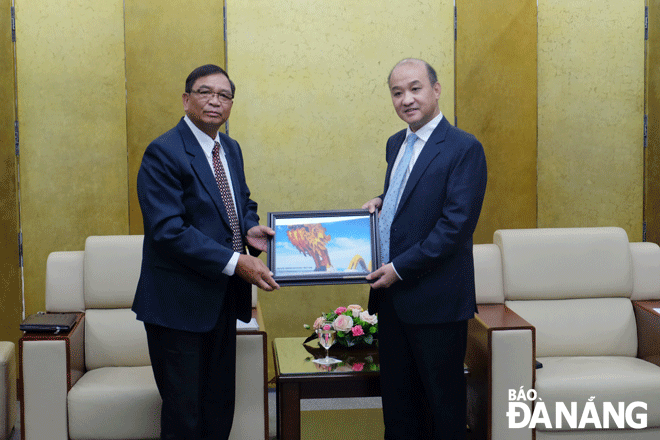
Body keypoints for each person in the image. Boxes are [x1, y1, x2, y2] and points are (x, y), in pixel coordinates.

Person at [132, 64, 279, 440]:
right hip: (177, 306)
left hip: (222, 301)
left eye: (224, 95)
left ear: (231, 104)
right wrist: (236, 261)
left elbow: (240, 201)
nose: (215, 101)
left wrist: (249, 228)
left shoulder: (229, 148)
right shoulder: (163, 152)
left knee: (218, 409)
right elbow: (168, 230)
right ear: (186, 100)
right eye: (205, 92)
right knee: (185, 416)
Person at [362, 58, 487, 439]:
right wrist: (383, 202)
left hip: (436, 302)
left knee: (442, 409)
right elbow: (413, 194)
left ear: (435, 89)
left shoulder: (464, 147)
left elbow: (455, 225)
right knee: (399, 409)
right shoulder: (396, 142)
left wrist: (398, 267)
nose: (406, 99)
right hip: (391, 300)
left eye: (415, 88)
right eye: (397, 93)